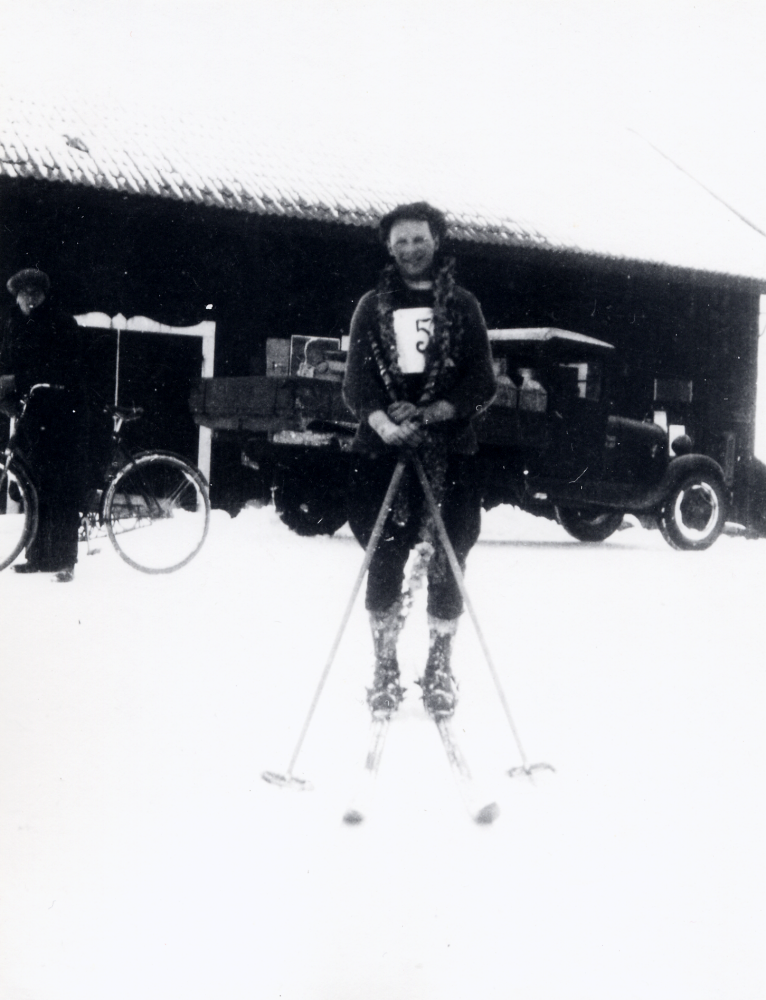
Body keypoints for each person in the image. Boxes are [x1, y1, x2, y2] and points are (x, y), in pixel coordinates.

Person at [343, 203, 496, 718]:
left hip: (449, 449)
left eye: (420, 239)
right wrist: (388, 424)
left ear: (437, 240)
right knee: (383, 556)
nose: (411, 250)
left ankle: (439, 665)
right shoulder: (370, 307)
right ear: (389, 246)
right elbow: (356, 385)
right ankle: (384, 666)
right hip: (384, 450)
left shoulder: (464, 306)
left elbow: (482, 383)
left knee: (449, 559)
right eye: (401, 241)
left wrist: (433, 414)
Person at [0, 268, 87, 582]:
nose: (30, 299)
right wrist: (8, 398)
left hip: (61, 414)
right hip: (32, 415)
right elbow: (8, 366)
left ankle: (65, 561)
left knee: (60, 489)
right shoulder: (14, 325)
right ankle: (37, 557)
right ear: (17, 296)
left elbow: (64, 368)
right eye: (24, 294)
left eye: (35, 293)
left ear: (44, 294)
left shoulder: (60, 323)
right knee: (32, 487)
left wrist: (17, 381)